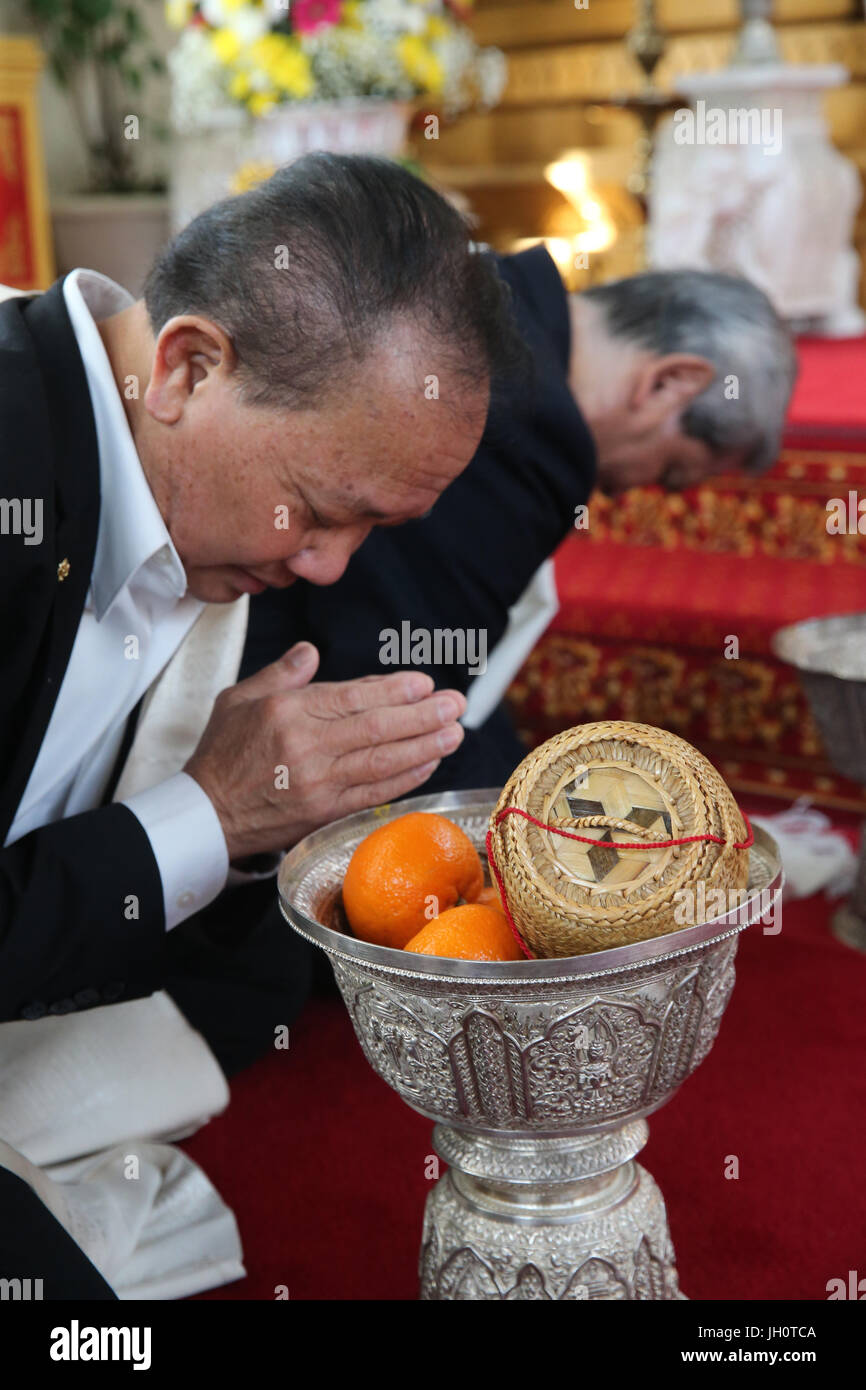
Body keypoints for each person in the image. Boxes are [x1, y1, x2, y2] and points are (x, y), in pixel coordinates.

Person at [0, 153, 525, 1296]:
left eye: (373, 532)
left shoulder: (185, 477)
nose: (328, 567)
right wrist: (204, 810)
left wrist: (255, 835)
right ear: (189, 366)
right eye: (325, 512)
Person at [181, 248, 796, 1072]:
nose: (632, 493)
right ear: (668, 383)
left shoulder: (504, 297)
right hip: (225, 688)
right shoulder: (528, 418)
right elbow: (399, 683)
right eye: (673, 472)